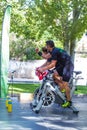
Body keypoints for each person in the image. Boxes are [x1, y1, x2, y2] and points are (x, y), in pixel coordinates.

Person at [38, 40, 74, 108]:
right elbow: (46, 57)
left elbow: (52, 64)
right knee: (54, 75)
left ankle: (69, 101)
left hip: (67, 66)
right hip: (62, 66)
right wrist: (38, 52)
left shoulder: (54, 51)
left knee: (65, 83)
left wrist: (43, 69)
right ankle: (62, 88)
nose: (46, 47)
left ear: (48, 46)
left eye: (46, 46)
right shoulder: (54, 50)